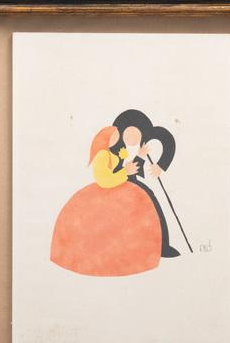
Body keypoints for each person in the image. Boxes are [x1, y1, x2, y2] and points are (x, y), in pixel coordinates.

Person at [50, 126, 162, 276]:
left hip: (118, 190)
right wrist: (125, 171)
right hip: (106, 193)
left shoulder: (111, 153)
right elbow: (104, 180)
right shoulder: (102, 155)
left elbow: (122, 170)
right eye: (114, 135)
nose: (118, 137)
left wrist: (138, 158)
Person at [111, 109, 180, 258]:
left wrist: (161, 165)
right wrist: (140, 157)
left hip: (134, 186)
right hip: (119, 187)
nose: (132, 137)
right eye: (128, 133)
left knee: (151, 206)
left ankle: (161, 245)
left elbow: (166, 138)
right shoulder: (116, 149)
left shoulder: (143, 144)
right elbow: (120, 171)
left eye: (135, 133)